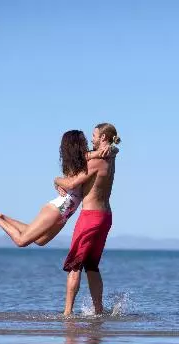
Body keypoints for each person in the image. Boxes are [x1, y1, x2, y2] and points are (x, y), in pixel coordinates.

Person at [0, 130, 117, 247]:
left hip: (67, 212)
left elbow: (111, 151)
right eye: (84, 141)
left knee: (40, 241)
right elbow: (72, 182)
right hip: (59, 207)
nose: (87, 142)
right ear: (77, 144)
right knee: (21, 241)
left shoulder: (83, 159)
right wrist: (56, 180)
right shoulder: (81, 160)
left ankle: (1, 216)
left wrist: (111, 148)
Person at [55, 123, 119, 316]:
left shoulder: (95, 161)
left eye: (94, 135)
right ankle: (98, 311)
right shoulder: (111, 156)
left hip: (90, 217)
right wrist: (112, 147)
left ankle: (67, 313)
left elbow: (73, 182)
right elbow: (114, 149)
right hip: (105, 217)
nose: (91, 139)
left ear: (103, 138)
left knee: (75, 264)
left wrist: (56, 180)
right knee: (91, 265)